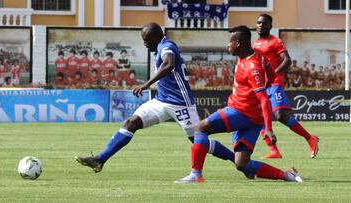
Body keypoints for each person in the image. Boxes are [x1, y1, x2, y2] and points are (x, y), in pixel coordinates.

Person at [75, 22, 237, 173]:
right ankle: (100, 159)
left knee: (197, 139)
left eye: (146, 40)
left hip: (180, 103)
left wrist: (147, 84)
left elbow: (169, 63)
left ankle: (236, 159)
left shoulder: (167, 46)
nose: (144, 44)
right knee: (132, 123)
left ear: (155, 38)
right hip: (161, 101)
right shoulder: (160, 47)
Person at [176, 25, 302, 183]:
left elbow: (264, 98)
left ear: (239, 43)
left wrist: (269, 129)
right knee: (242, 164)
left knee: (201, 127)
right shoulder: (259, 55)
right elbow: (271, 75)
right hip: (254, 119)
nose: (227, 45)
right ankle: (286, 175)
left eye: (230, 42)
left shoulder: (252, 66)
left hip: (241, 112)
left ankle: (196, 174)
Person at [252, 14, 319, 159]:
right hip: (262, 86)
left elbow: (287, 61)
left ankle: (310, 138)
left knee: (280, 115)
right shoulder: (255, 43)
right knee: (260, 118)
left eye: (263, 23)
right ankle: (274, 150)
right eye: (258, 23)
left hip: (274, 83)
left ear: (270, 26)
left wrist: (272, 73)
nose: (260, 25)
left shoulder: (275, 41)